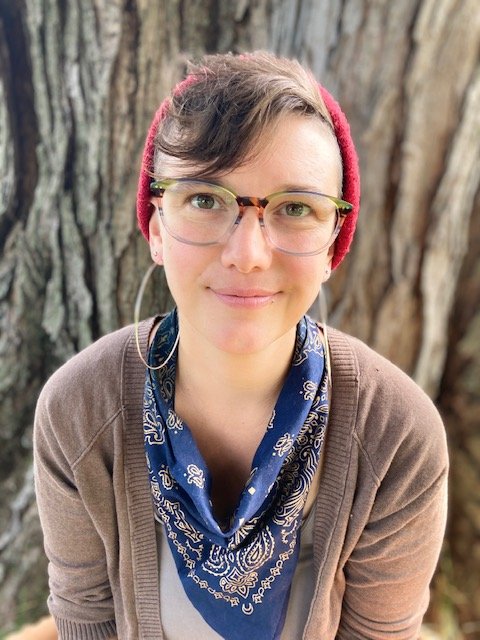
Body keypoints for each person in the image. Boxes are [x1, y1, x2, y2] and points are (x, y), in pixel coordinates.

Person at [34, 51, 448, 640]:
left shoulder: (396, 437)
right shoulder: (79, 412)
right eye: (205, 199)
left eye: (296, 208)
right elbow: (86, 623)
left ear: (333, 245)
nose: (248, 254)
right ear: (156, 226)